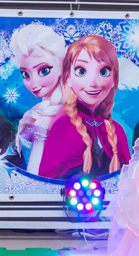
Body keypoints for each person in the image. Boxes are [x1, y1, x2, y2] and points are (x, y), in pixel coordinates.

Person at [37, 35, 130, 179]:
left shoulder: (117, 130)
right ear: (68, 77)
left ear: (114, 79)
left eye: (103, 72)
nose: (93, 83)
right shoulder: (61, 127)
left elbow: (129, 181)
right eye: (81, 71)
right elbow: (48, 183)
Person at [11, 24, 66, 174]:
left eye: (44, 70)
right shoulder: (62, 111)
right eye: (26, 74)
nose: (34, 84)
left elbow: (34, 174)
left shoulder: (45, 121)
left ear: (61, 65)